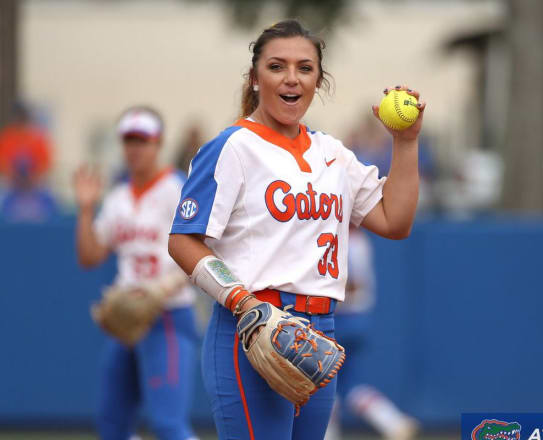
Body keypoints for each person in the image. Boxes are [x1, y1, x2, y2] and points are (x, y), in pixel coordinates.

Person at [167, 19, 425, 440]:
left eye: (305, 68)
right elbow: (183, 240)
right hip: (253, 326)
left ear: (318, 80)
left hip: (319, 333)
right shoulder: (233, 147)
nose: (292, 78)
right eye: (277, 66)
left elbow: (394, 221)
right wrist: (243, 302)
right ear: (254, 78)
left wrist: (406, 142)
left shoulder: (332, 153)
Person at [74, 106, 198, 440]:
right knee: (112, 425)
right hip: (126, 320)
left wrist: (161, 290)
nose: (134, 148)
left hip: (168, 315)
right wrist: (86, 210)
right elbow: (90, 256)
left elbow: (205, 252)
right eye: (129, 140)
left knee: (168, 424)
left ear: (158, 143)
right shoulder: (118, 197)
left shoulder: (179, 189)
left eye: (142, 140)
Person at [324, 227, 420, 440]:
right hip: (357, 318)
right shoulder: (359, 239)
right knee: (349, 385)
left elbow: (350, 284)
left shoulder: (345, 240)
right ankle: (393, 422)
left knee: (323, 383)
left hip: (342, 319)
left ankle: (327, 435)